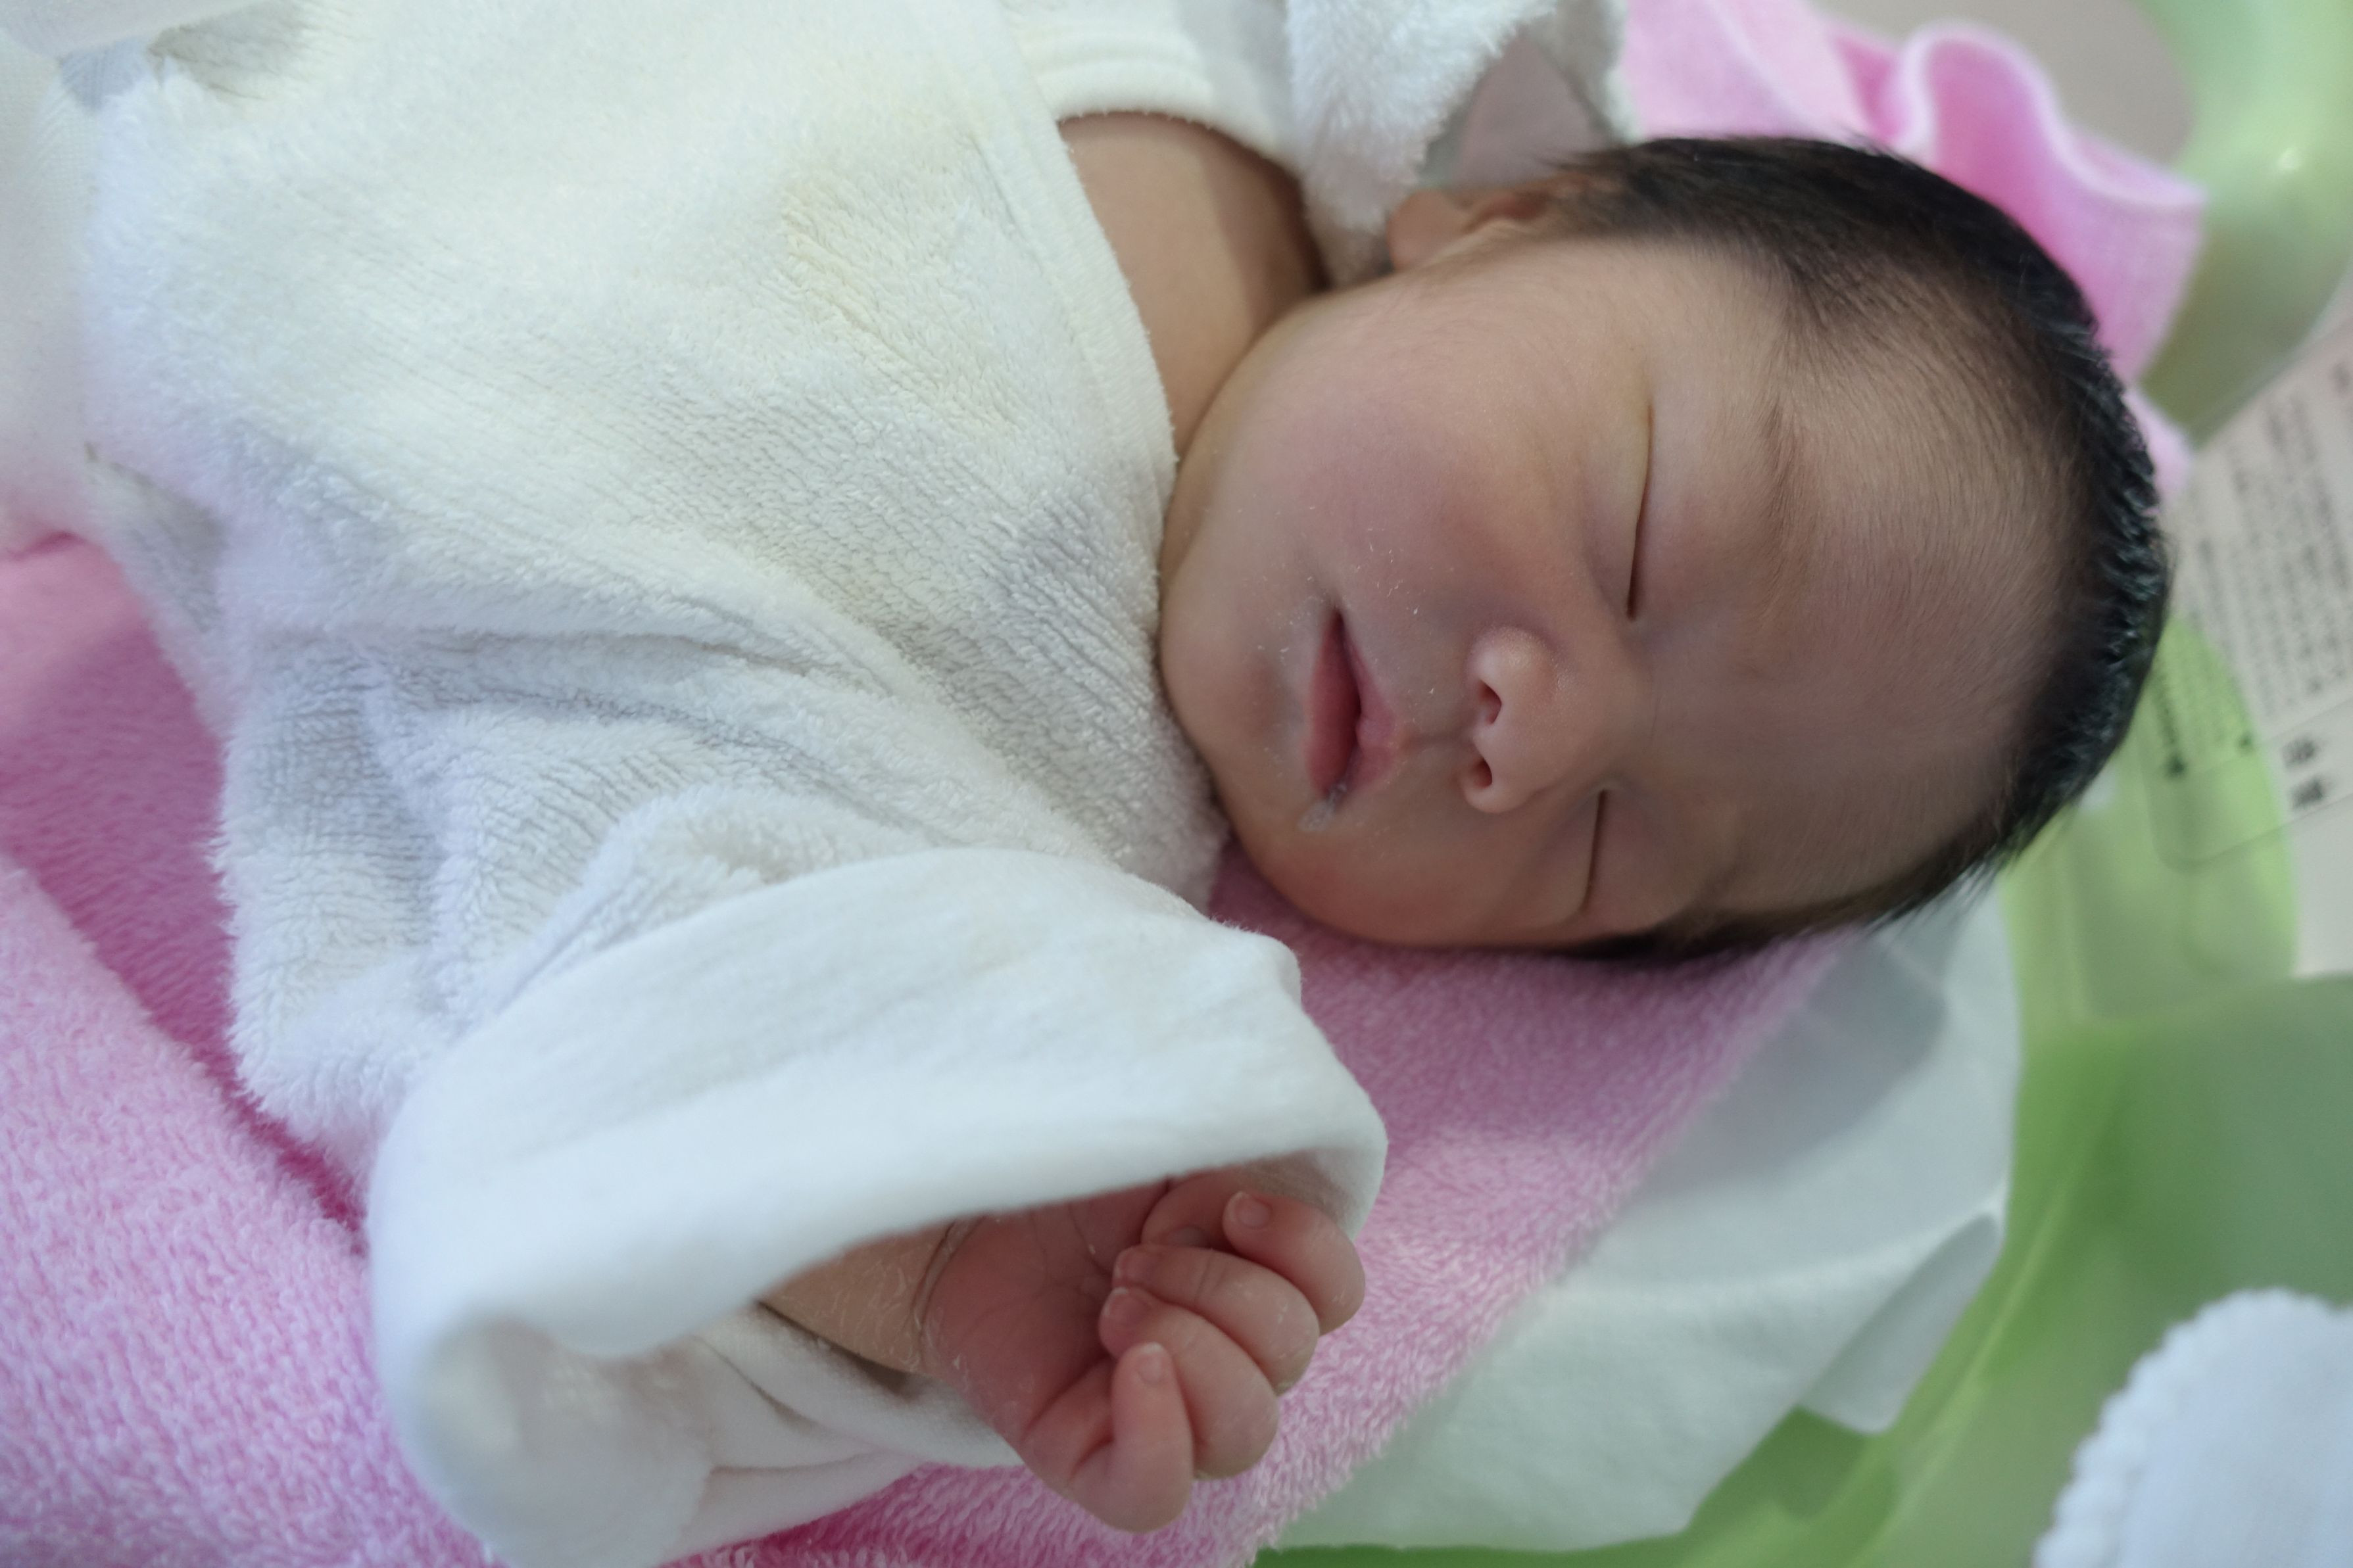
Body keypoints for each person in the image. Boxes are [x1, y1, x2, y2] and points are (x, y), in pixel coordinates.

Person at [38, 1, 2162, 1557]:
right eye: (1630, 542)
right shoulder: (1240, 57)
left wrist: (946, 1255)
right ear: (1512, 210)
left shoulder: (1021, 834)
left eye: (1617, 842)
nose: (1535, 735)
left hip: (120, 239)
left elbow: (641, 1040)